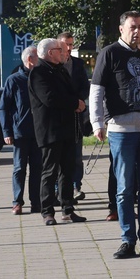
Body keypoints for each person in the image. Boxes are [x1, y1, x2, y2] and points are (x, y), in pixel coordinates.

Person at [89, 11, 140, 259]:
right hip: (122, 130)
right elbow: (97, 90)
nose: (137, 32)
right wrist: (97, 122)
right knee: (124, 188)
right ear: (122, 28)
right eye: (133, 27)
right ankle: (127, 240)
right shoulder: (110, 53)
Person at [29, 38, 86, 226]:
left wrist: (78, 102)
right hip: (50, 130)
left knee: (67, 171)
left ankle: (68, 209)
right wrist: (74, 103)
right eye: (59, 50)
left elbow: (73, 91)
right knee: (49, 171)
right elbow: (50, 98)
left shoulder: (60, 69)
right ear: (50, 52)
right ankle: (47, 211)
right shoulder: (38, 73)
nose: (63, 53)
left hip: (67, 128)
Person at [0, 45, 42, 215]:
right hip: (20, 132)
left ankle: (36, 202)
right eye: (38, 57)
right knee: (19, 168)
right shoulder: (14, 80)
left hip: (38, 132)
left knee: (37, 168)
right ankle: (17, 202)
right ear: (30, 59)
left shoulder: (40, 78)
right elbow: (4, 108)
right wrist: (6, 132)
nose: (41, 60)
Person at [57, 32, 90, 201]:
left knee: (77, 156)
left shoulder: (78, 64)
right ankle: (58, 188)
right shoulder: (53, 64)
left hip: (77, 116)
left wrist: (79, 101)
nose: (69, 48)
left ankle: (76, 186)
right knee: (58, 155)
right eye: (66, 44)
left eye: (71, 44)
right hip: (60, 117)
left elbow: (85, 86)